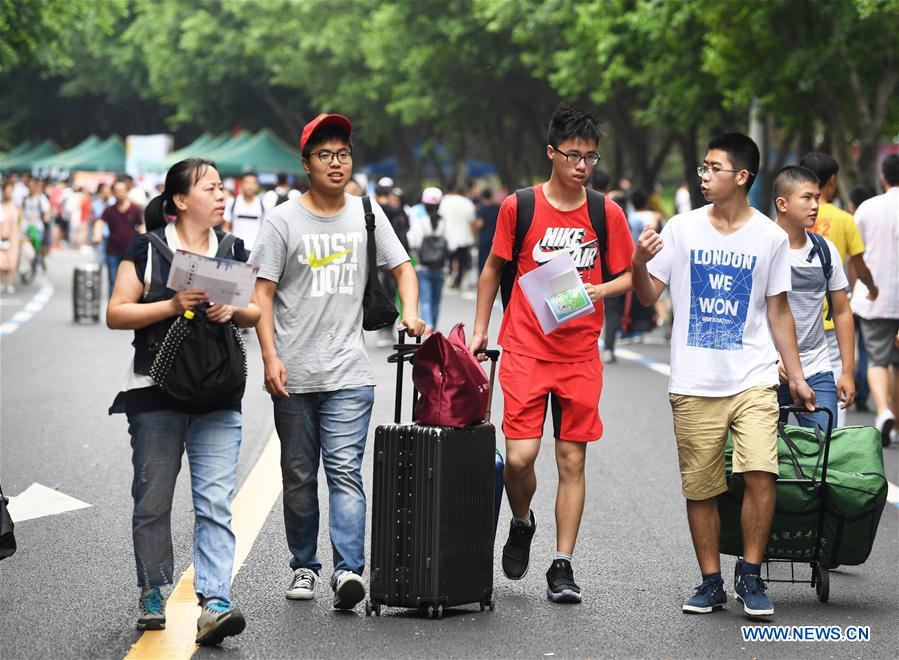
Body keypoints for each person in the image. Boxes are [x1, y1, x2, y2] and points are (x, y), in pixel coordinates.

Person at [630, 132, 814, 618]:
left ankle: (750, 574)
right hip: (693, 380)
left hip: (752, 376)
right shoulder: (682, 228)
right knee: (702, 485)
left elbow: (778, 312)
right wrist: (638, 263)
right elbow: (650, 296)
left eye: (713, 168)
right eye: (703, 168)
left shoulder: (771, 238)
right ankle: (710, 580)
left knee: (761, 472)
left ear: (742, 177)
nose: (704, 176)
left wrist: (795, 375)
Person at [250, 113, 424, 610]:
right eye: (324, 155)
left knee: (345, 471)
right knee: (299, 475)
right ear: (305, 163)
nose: (335, 163)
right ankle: (304, 565)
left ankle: (348, 571)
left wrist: (410, 311)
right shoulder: (282, 220)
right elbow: (261, 293)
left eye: (343, 154)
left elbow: (403, 269)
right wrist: (269, 357)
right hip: (294, 373)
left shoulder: (367, 213)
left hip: (350, 371)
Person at [468, 104, 635, 604]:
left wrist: (595, 291)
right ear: (551, 153)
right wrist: (481, 329)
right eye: (573, 155)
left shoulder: (606, 212)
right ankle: (522, 521)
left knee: (570, 460)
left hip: (580, 353)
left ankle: (562, 565)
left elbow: (628, 274)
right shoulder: (519, 207)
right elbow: (492, 270)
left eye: (590, 157)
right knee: (519, 458)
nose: (582, 165)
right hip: (525, 348)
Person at [107, 158, 260, 645]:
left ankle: (215, 602)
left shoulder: (232, 248)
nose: (221, 195)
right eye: (210, 188)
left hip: (218, 391)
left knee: (215, 501)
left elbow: (255, 310)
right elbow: (117, 312)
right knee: (152, 500)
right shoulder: (148, 249)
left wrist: (230, 309)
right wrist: (173, 305)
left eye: (222, 187)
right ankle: (153, 590)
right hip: (154, 393)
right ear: (179, 200)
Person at [772, 166, 855, 428]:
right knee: (765, 461)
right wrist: (768, 358)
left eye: (817, 198)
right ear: (782, 204)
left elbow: (842, 311)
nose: (815, 205)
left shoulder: (824, 250)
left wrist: (848, 372)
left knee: (822, 452)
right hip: (767, 370)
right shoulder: (762, 247)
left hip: (817, 367)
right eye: (806, 198)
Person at [799, 152, 878, 426]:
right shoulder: (845, 219)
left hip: (794, 317)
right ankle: (831, 439)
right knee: (833, 379)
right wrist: (871, 287)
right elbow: (858, 263)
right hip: (830, 316)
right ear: (832, 181)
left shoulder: (788, 215)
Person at [851, 154, 899, 445]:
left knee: (878, 360)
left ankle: (882, 411)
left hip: (876, 297)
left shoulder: (868, 208)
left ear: (883, 178)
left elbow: (856, 255)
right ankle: (896, 424)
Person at [407, 186, 448, 335]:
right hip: (441, 267)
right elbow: (451, 243)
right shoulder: (444, 222)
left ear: (424, 204)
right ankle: (433, 327)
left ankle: (428, 326)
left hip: (423, 266)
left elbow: (413, 242)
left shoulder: (420, 222)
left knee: (425, 299)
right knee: (436, 300)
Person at [97, 180, 144, 295]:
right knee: (113, 281)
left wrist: (143, 238)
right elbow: (100, 222)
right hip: (112, 251)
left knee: (129, 283)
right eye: (117, 191)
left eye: (122, 191)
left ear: (127, 191)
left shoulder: (135, 208)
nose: (120, 194)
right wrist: (97, 234)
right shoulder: (109, 209)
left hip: (130, 252)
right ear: (113, 193)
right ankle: (112, 310)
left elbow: (142, 224)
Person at [439, 183, 477, 289]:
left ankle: (450, 277)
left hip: (447, 235)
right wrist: (474, 236)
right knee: (462, 260)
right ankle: (459, 279)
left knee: (449, 259)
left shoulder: (445, 201)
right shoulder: (468, 203)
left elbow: (440, 218)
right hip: (464, 236)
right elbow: (472, 221)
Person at [224, 172, 266, 251]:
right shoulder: (231, 202)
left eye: (253, 183)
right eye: (247, 182)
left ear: (257, 186)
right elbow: (225, 227)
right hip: (234, 249)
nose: (250, 186)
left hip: (255, 251)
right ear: (241, 184)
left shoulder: (264, 205)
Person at [22, 178, 49, 272]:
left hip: (37, 227)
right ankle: (28, 263)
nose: (30, 188)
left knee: (36, 246)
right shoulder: (25, 198)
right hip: (26, 226)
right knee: (25, 245)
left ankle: (38, 261)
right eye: (29, 186)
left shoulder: (41, 198)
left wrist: (46, 217)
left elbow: (47, 211)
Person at [0, 181, 20, 293]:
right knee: (1, 261)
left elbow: (21, 220)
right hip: (3, 235)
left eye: (10, 189)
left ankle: (10, 284)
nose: (8, 192)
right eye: (6, 189)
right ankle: (1, 282)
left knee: (12, 260)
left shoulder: (17, 205)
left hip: (14, 236)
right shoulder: (1, 205)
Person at [475, 188, 500, 275]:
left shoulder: (481, 209)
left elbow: (479, 224)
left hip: (484, 238)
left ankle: (483, 277)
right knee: (495, 261)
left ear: (482, 197)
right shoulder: (497, 207)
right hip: (496, 238)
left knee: (483, 260)